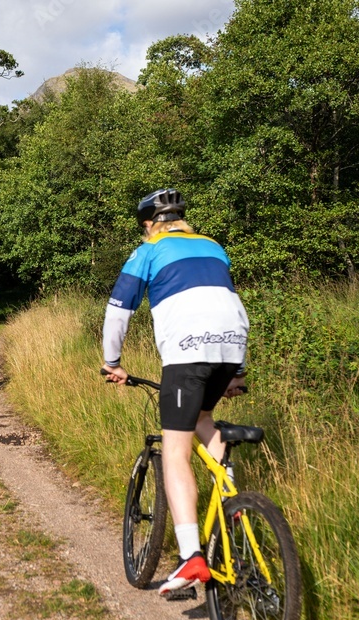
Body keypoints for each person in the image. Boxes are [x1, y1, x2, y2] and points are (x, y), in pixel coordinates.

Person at [100, 188, 248, 595]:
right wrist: (236, 372)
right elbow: (226, 302)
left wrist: (112, 362)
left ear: (149, 223)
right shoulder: (213, 246)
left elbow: (118, 311)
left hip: (188, 353)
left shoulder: (148, 250)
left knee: (175, 452)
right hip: (231, 347)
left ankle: (190, 556)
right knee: (203, 419)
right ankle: (233, 505)